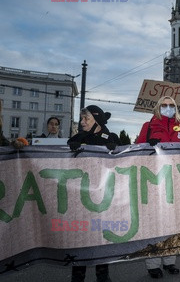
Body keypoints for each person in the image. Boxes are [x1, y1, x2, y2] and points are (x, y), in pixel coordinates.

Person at [136, 96, 180, 278]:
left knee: (173, 222)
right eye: (164, 105)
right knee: (155, 223)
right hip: (154, 179)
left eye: (171, 105)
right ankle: (153, 264)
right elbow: (136, 149)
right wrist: (145, 145)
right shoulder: (148, 126)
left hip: (176, 178)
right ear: (158, 107)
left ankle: (169, 261)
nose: (168, 108)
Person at [67, 105, 120, 282]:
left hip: (103, 196)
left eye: (86, 119)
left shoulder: (111, 138)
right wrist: (70, 148)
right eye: (81, 119)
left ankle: (103, 276)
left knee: (101, 237)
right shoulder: (77, 137)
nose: (82, 123)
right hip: (81, 195)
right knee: (81, 237)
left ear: (96, 120)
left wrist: (116, 149)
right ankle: (78, 276)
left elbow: (124, 162)